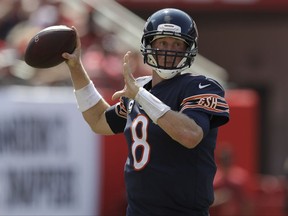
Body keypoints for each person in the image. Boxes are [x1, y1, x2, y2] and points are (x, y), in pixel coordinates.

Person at [62, 8, 230, 216]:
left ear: (189, 49)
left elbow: (190, 135)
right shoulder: (139, 89)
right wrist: (76, 67)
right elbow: (98, 120)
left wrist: (141, 96)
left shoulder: (200, 86)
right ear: (149, 45)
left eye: (177, 44)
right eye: (162, 42)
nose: (170, 50)